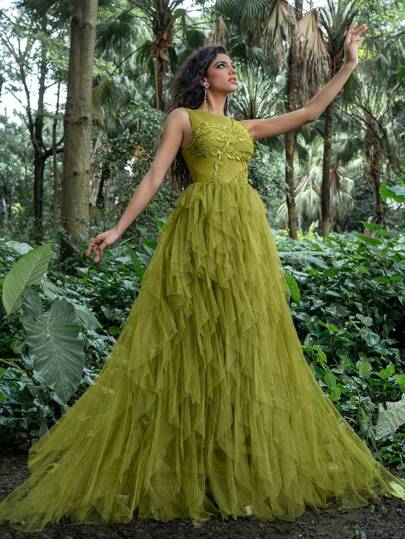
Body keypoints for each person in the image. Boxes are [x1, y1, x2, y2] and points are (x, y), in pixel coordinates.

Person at [1, 24, 404, 534]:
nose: (231, 71)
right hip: (197, 238)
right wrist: (118, 230)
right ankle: (183, 465)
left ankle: (232, 465)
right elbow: (154, 176)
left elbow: (308, 113)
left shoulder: (245, 127)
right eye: (222, 65)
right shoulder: (183, 118)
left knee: (240, 345)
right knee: (192, 342)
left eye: (232, 65)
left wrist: (347, 63)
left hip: (245, 243)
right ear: (202, 77)